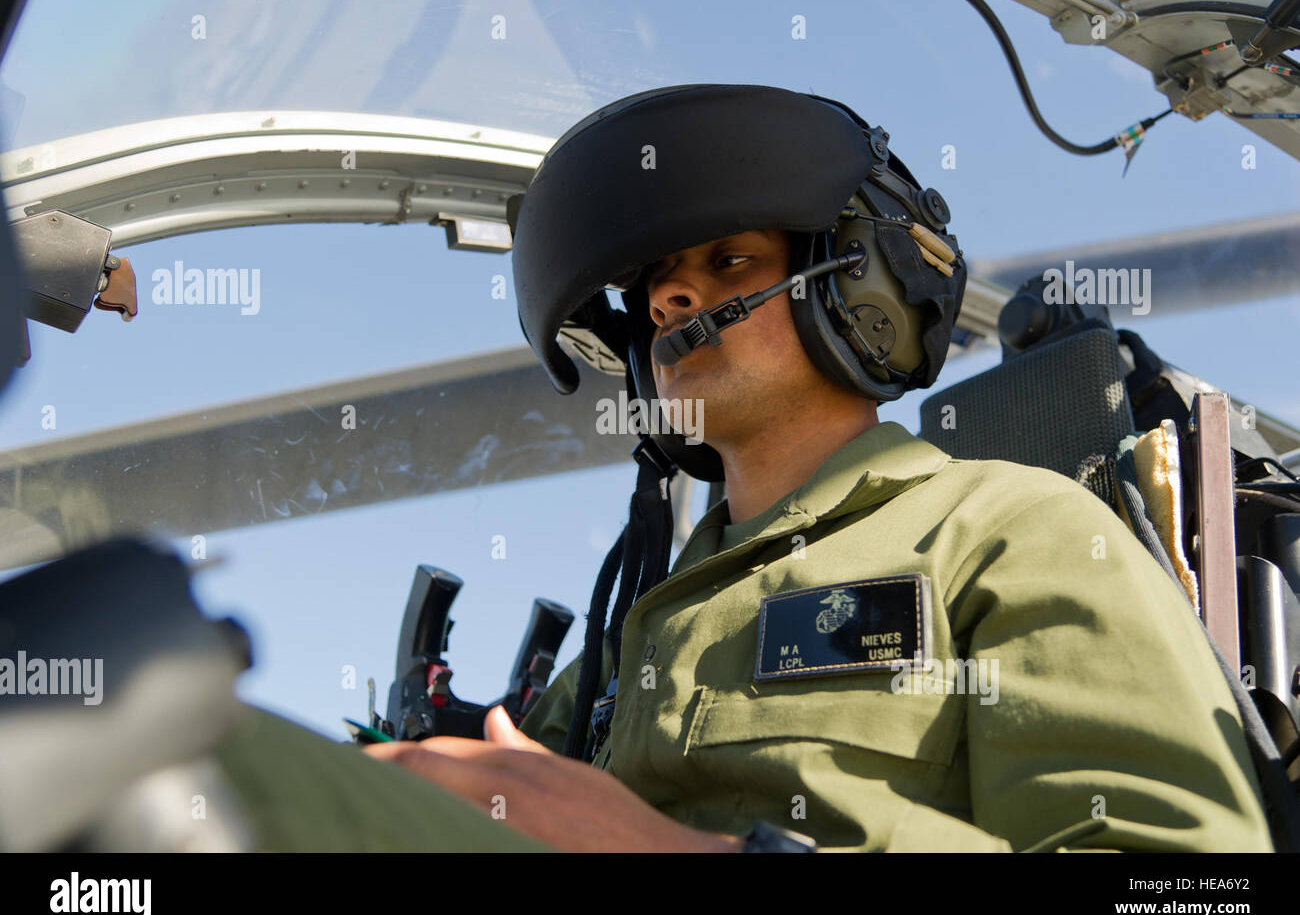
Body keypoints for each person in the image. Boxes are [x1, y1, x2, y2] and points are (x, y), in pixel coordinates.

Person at [85, 83, 1278, 852]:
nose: (671, 297)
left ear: (854, 288)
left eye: (724, 258)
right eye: (659, 284)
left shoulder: (1007, 531)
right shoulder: (636, 632)